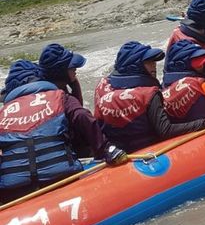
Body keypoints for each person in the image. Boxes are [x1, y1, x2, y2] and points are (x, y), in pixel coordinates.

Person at [0, 60, 126, 203]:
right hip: (60, 179)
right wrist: (106, 149)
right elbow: (83, 117)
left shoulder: (3, 112)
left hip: (14, 192)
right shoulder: (60, 97)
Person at [94, 40, 205, 154]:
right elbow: (166, 130)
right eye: (149, 62)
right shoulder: (149, 94)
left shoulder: (103, 90)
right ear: (135, 66)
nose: (154, 65)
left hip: (120, 152)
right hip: (149, 153)